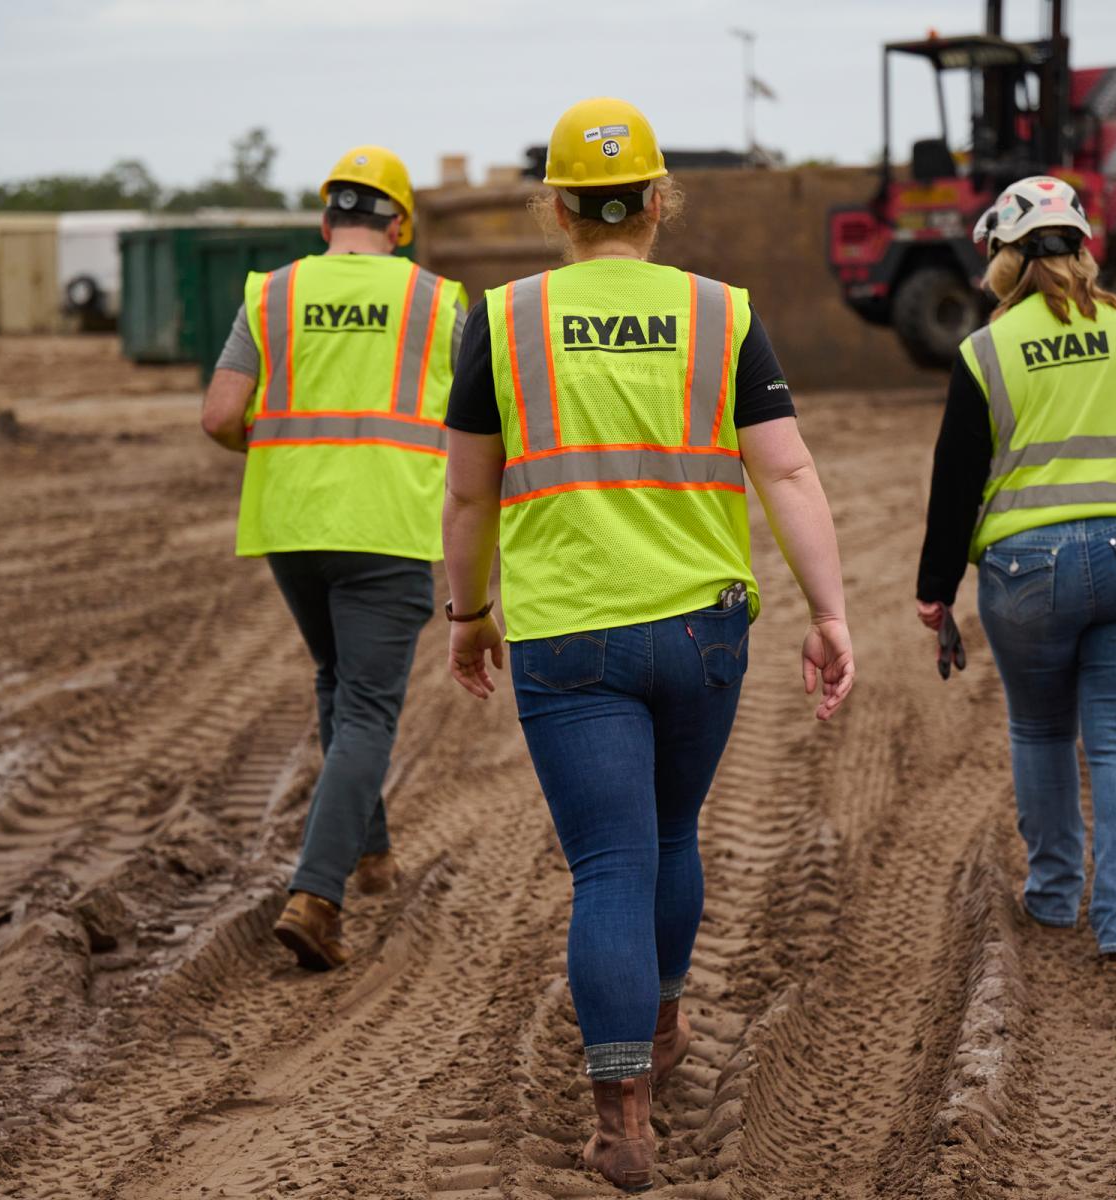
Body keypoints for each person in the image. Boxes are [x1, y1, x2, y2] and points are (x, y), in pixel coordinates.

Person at [440, 97, 855, 1191]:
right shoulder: (723, 315)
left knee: (608, 866)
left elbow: (469, 497)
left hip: (571, 638)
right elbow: (790, 472)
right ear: (660, 202)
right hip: (700, 630)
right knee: (670, 837)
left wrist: (469, 612)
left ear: (558, 207)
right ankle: (662, 1019)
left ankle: (623, 1117)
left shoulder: (506, 318)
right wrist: (829, 613)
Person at [914, 176, 1116, 976]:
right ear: (1084, 248)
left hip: (1029, 573)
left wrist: (936, 586)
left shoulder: (984, 352)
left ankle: (1054, 895)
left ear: (1003, 261)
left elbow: (955, 478)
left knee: (1042, 730)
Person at [199, 145, 468, 971]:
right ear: (399, 226)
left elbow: (219, 416)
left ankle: (369, 852)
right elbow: (478, 420)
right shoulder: (434, 300)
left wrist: (290, 455)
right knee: (367, 711)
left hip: (291, 526)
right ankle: (317, 895)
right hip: (387, 525)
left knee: (337, 683)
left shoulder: (273, 294)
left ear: (327, 223)